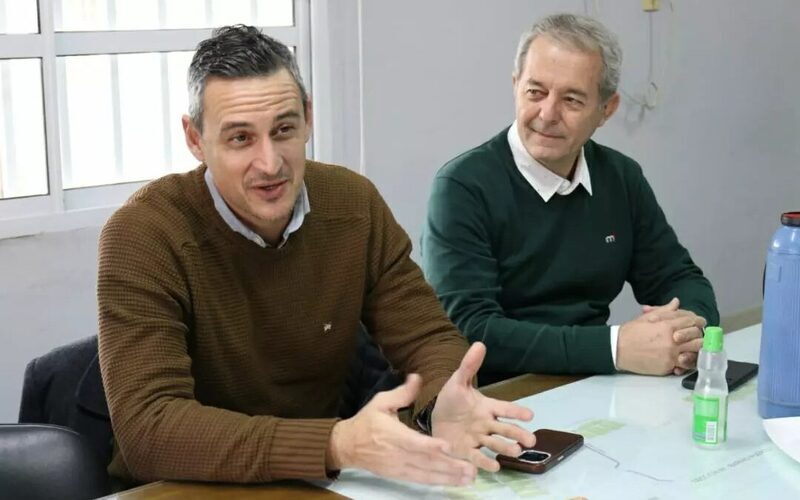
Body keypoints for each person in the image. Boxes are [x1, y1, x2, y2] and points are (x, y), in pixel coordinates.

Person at [97, 25, 535, 487]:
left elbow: (427, 336)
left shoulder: (353, 203)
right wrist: (335, 443)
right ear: (194, 138)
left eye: (284, 129)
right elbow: (149, 429)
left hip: (311, 481)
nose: (270, 163)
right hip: (179, 488)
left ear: (308, 118)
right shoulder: (143, 234)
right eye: (240, 139)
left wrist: (441, 398)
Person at [421, 13, 719, 385]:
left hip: (594, 384)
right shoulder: (463, 187)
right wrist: (615, 348)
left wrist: (689, 332)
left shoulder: (621, 177)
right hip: (500, 395)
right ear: (515, 86)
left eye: (572, 100)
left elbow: (677, 277)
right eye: (535, 92)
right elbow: (471, 330)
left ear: (606, 110)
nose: (547, 114)